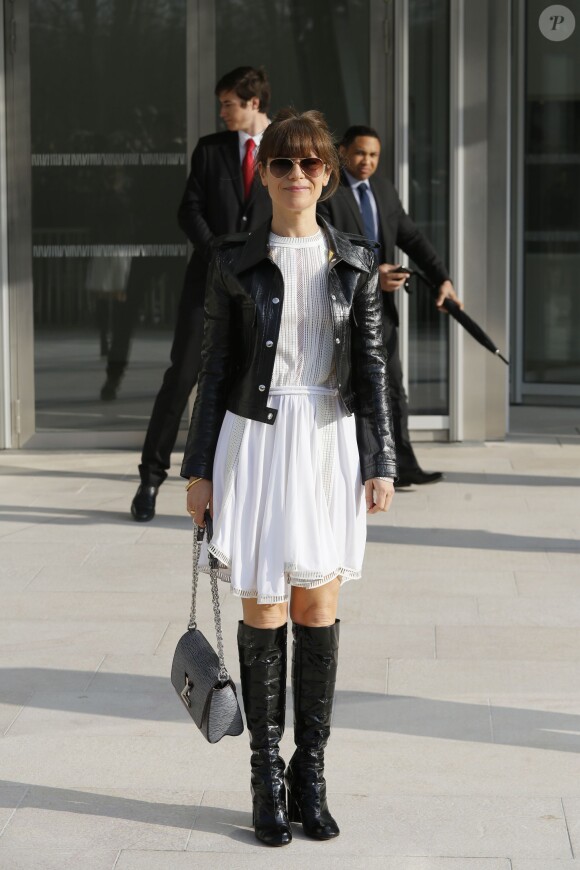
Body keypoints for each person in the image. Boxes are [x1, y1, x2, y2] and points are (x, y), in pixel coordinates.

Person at [182, 108, 396, 847]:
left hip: (329, 440)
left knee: (318, 607)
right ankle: (265, 776)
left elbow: (372, 368)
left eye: (310, 165)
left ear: (328, 176)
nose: (296, 176)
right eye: (282, 164)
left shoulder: (357, 259)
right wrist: (199, 469)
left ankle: (312, 772)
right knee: (265, 607)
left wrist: (383, 460)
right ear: (265, 174)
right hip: (258, 442)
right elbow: (214, 372)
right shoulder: (232, 260)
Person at [131, 66, 272, 521]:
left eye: (229, 103)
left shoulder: (282, 149)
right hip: (208, 279)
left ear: (253, 102)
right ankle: (150, 479)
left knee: (254, 381)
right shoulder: (210, 150)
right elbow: (188, 209)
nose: (222, 111)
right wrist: (219, 252)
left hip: (261, 284)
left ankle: (241, 490)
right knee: (182, 376)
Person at [318, 125, 462, 488]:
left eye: (374, 155)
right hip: (339, 309)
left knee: (392, 386)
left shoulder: (382, 189)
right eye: (360, 153)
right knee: (349, 390)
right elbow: (324, 249)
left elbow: (411, 237)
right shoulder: (327, 191)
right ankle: (351, 467)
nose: (367, 161)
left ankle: (400, 465)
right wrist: (371, 274)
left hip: (380, 311)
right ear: (342, 151)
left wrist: (442, 277)